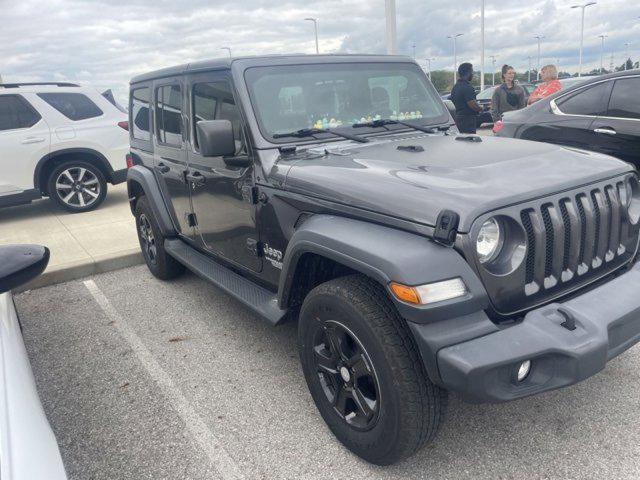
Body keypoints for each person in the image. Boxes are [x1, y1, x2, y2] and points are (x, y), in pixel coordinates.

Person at [450, 62, 482, 133]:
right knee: (469, 142)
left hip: (458, 119)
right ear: (468, 73)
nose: (472, 74)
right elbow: (472, 104)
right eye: (472, 72)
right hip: (467, 121)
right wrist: (481, 108)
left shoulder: (455, 87)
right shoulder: (467, 87)